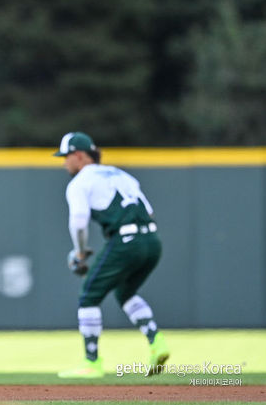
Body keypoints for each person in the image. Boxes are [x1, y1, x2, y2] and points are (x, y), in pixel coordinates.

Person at [53, 132, 169, 378]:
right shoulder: (121, 174)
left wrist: (80, 253)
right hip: (152, 240)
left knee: (88, 296)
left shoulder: (79, 182)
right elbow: (148, 211)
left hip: (126, 240)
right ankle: (157, 343)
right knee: (125, 292)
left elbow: (79, 221)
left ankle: (92, 362)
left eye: (66, 157)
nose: (64, 163)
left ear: (79, 155)